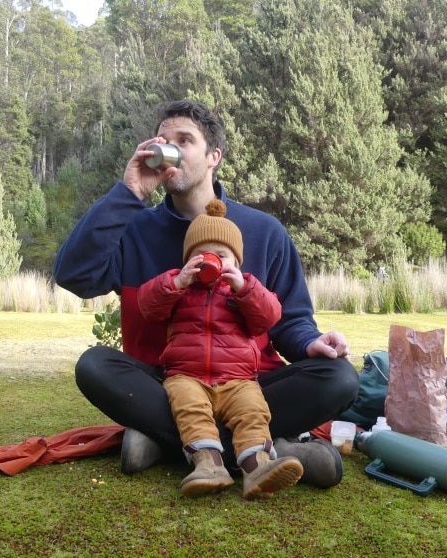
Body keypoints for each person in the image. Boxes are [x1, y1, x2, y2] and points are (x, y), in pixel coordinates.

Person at [53, 99, 359, 489]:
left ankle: (170, 444)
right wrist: (130, 191)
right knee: (94, 365)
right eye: (164, 140)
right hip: (171, 382)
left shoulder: (264, 232)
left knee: (340, 378)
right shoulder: (134, 229)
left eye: (185, 140)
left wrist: (312, 343)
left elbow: (290, 321)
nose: (172, 149)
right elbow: (73, 275)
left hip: (246, 382)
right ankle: (262, 453)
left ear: (214, 156)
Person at [139, 199, 303, 499]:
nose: (211, 261)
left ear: (237, 262)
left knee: (253, 412)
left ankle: (257, 468)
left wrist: (245, 288)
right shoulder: (180, 288)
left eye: (222, 256)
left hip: (238, 380)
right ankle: (208, 464)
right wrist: (177, 281)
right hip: (187, 376)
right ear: (189, 260)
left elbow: (269, 316)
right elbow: (147, 306)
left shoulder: (244, 289)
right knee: (190, 410)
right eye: (201, 256)